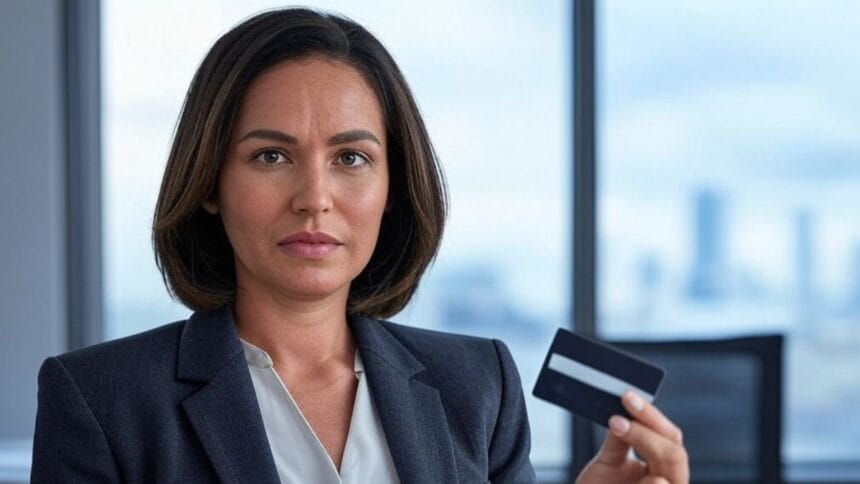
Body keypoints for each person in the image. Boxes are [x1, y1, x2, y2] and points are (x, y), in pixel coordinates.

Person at [31, 7, 688, 483]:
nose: (314, 196)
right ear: (211, 182)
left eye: (350, 158)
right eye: (270, 156)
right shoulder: (102, 402)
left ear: (392, 185)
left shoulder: (478, 387)